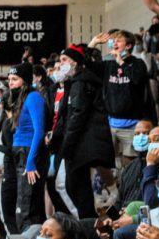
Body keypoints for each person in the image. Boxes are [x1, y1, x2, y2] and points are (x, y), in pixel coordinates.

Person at [48, 43, 116, 219]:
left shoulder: (80, 83)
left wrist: (67, 145)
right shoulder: (74, 83)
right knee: (73, 188)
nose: (60, 65)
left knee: (76, 190)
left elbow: (77, 116)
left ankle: (89, 228)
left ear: (75, 62)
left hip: (81, 146)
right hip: (78, 145)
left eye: (64, 60)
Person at [87, 30, 155, 169]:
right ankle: (112, 189)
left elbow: (137, 80)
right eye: (114, 41)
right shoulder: (108, 65)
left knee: (131, 163)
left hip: (132, 124)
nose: (114, 43)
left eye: (119, 41)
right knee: (99, 160)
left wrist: (121, 62)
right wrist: (93, 43)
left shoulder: (138, 63)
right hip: (110, 123)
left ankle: (129, 187)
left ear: (129, 46)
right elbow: (86, 65)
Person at [8, 61, 52, 230]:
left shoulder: (33, 97)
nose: (11, 83)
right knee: (27, 204)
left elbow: (39, 131)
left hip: (30, 153)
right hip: (22, 152)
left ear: (25, 80)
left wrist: (31, 161)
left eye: (15, 79)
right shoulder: (22, 98)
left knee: (26, 207)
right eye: (10, 79)